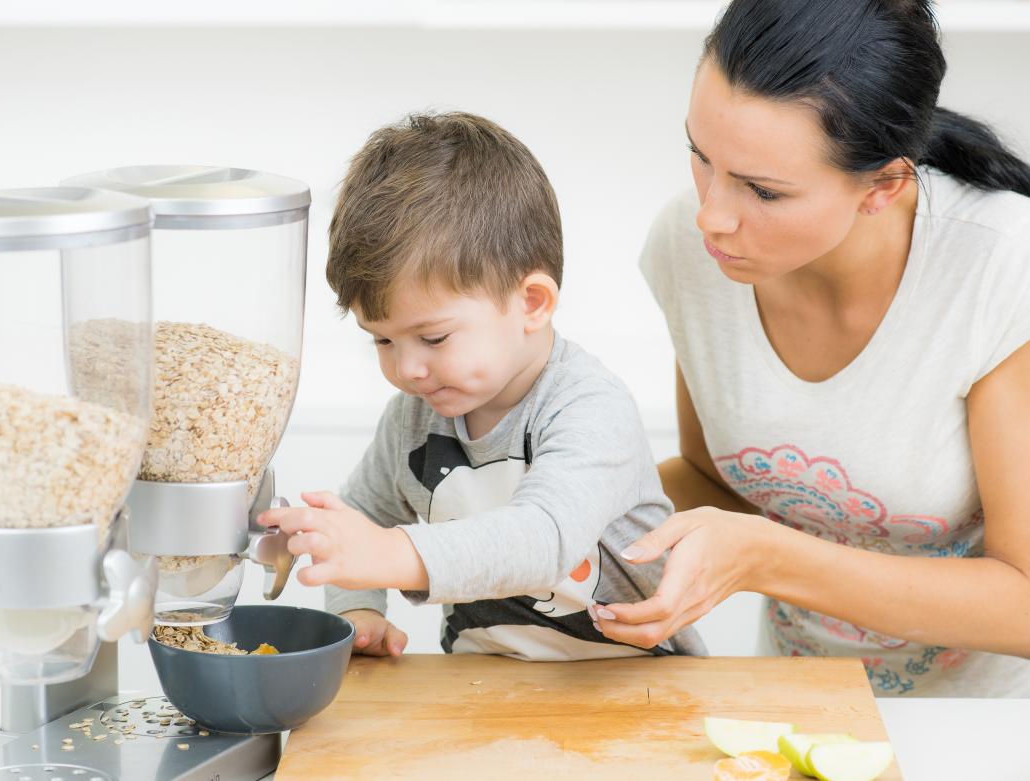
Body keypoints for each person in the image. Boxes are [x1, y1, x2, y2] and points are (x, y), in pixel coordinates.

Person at [595, 0, 1030, 696]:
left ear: (884, 185)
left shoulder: (1003, 269)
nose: (713, 214)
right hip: (802, 705)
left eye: (764, 190)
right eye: (700, 156)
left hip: (985, 728)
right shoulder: (693, 246)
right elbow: (717, 487)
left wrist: (767, 558)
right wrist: (552, 504)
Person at [258, 111, 704, 661]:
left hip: (639, 687)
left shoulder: (588, 407)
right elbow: (364, 513)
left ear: (532, 303)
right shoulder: (414, 418)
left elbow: (542, 540)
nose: (408, 370)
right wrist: (359, 607)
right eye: (383, 342)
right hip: (489, 692)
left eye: (434, 337)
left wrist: (390, 553)